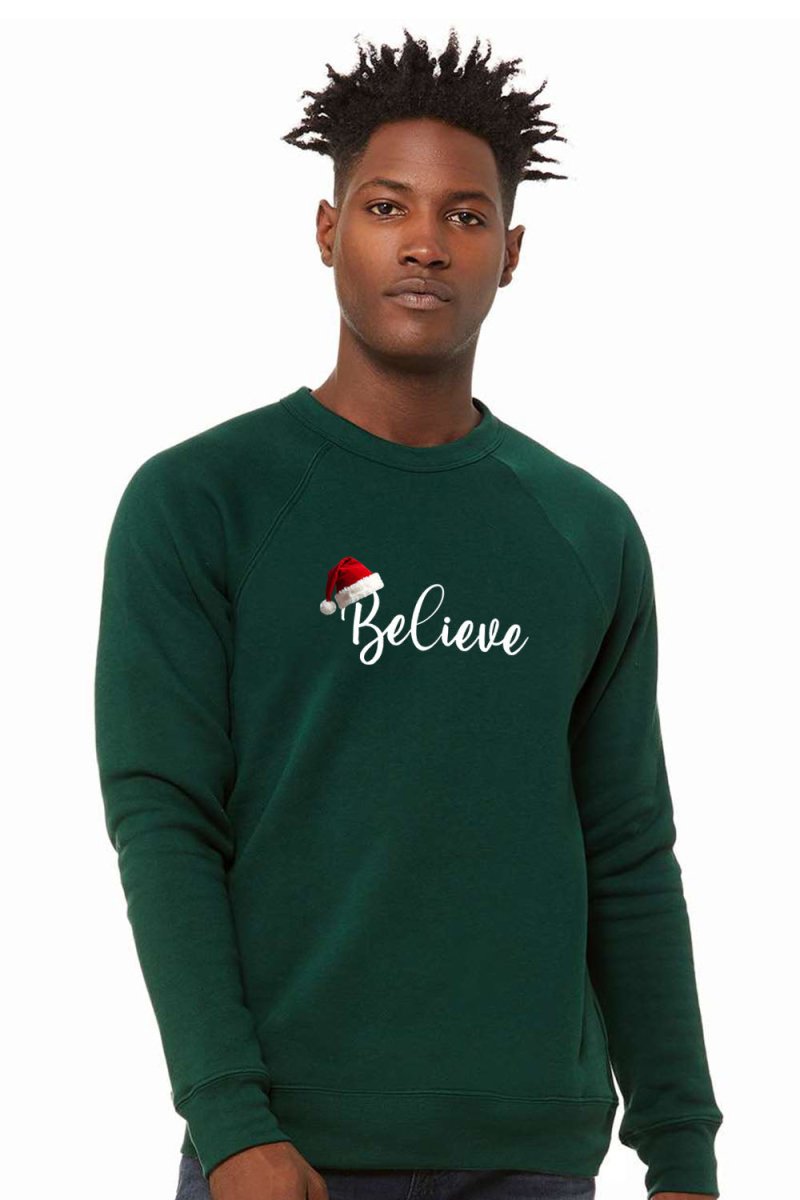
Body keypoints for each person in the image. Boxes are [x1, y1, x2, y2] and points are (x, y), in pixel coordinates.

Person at [93, 26, 724, 1200]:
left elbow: (627, 848)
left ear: (511, 252)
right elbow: (164, 820)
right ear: (327, 229)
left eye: (464, 216)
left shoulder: (583, 530)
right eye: (386, 207)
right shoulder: (202, 500)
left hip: (532, 1153)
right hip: (288, 1152)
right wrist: (228, 1120)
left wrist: (680, 1149)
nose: (424, 242)